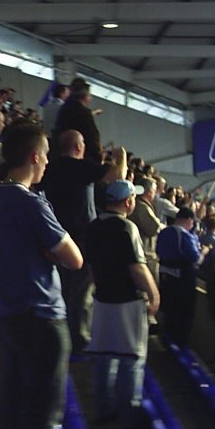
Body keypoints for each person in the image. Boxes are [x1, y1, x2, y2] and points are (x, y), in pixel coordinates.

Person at [0, 121, 83, 429]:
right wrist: (49, 250)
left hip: (10, 317)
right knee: (43, 409)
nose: (47, 165)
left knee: (16, 404)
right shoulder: (30, 203)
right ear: (35, 157)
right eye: (46, 158)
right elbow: (74, 258)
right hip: (42, 319)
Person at [40, 129, 126, 353]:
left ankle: (60, 336)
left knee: (62, 288)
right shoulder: (80, 167)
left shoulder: (52, 168)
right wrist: (121, 157)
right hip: (82, 239)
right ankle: (79, 339)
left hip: (57, 235)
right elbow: (117, 177)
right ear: (79, 147)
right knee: (81, 292)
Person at [86, 179, 160, 428]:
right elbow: (137, 267)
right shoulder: (127, 227)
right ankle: (130, 417)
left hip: (102, 300)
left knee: (104, 357)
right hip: (128, 302)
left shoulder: (94, 226)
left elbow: (91, 267)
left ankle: (103, 408)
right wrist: (154, 293)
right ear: (128, 201)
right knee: (131, 359)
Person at [156, 207, 206, 347]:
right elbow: (195, 258)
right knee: (183, 315)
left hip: (166, 277)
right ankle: (180, 345)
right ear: (188, 220)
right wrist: (204, 252)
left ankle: (166, 342)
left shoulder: (164, 232)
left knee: (169, 313)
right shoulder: (184, 235)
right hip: (183, 281)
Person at [53, 78, 101, 162]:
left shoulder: (63, 109)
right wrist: (98, 156)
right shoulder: (84, 113)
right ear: (85, 96)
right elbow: (92, 137)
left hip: (60, 155)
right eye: (90, 95)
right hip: (80, 157)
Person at [129, 176, 164, 282]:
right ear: (149, 192)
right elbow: (154, 228)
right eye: (154, 190)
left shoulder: (139, 205)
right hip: (146, 255)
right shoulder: (142, 207)